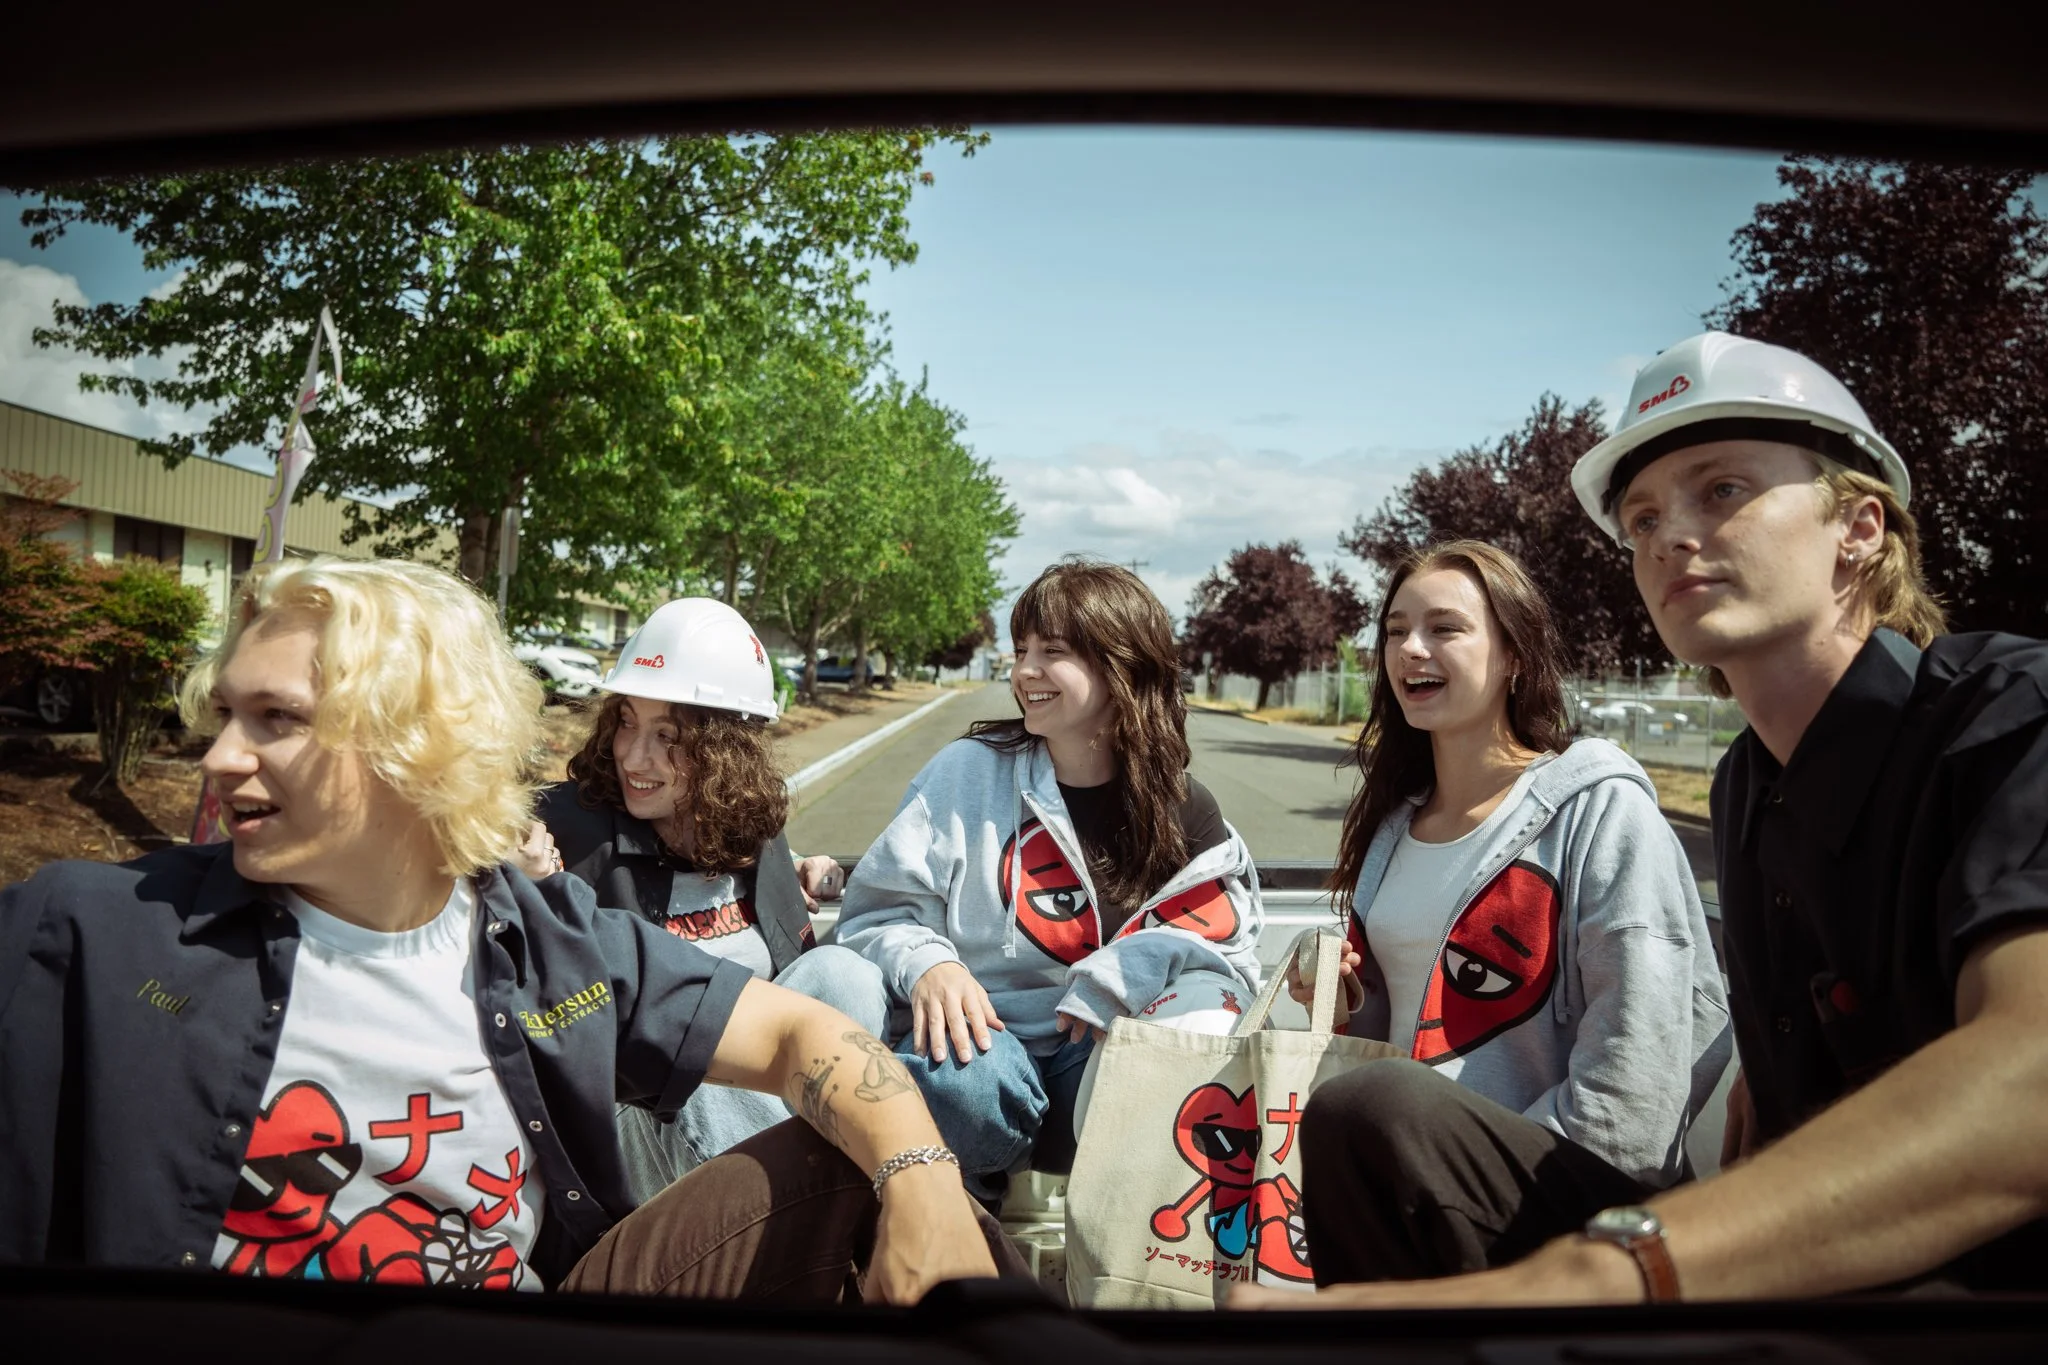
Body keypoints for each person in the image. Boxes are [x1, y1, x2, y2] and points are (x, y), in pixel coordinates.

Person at [1240, 331, 2048, 1310]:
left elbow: (2028, 1083)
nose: (1669, 538)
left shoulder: (2009, 717)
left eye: (1722, 490)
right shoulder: (1745, 788)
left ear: (1860, 527)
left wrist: (1602, 1269)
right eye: (1642, 519)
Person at [0, 554, 1002, 1301]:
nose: (218, 757)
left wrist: (922, 1183)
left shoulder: (551, 941)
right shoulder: (86, 934)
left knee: (880, 1165)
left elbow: (805, 1032)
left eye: (278, 720)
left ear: (418, 744)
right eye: (225, 714)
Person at [1275, 539, 1729, 1286]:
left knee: (1368, 1104)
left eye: (1445, 628)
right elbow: (1394, 1037)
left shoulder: (1601, 811)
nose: (1410, 649)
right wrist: (1341, 996)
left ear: (1514, 654)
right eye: (1395, 630)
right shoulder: (1392, 826)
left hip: (1562, 1187)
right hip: (1410, 1179)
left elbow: (1637, 1072)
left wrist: (1468, 1161)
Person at [837, 558, 1264, 1206]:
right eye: (1021, 651)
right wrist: (930, 964)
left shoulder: (1184, 809)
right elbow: (875, 913)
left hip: (1102, 1065)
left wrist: (1120, 977)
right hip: (977, 1058)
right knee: (955, 1079)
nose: (1025, 671)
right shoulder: (964, 773)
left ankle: (1134, 1242)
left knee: (1200, 1039)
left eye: (1052, 652)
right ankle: (959, 1218)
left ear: (1120, 666)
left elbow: (1226, 956)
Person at [528, 597, 890, 1201]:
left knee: (843, 972)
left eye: (667, 735)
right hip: (634, 1119)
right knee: (692, 1050)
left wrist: (799, 870)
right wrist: (527, 885)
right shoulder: (560, 831)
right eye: (626, 722)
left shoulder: (754, 833)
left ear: (726, 752)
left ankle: (818, 1211)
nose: (633, 756)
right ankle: (821, 1216)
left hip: (765, 1112)